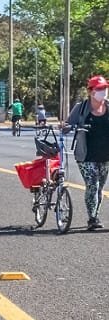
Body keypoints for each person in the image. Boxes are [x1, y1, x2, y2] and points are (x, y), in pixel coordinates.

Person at [64, 75, 109, 230]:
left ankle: (95, 213)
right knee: (92, 185)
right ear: (90, 91)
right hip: (86, 155)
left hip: (105, 155)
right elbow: (69, 124)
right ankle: (92, 218)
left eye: (104, 88)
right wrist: (65, 127)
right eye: (99, 89)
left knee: (100, 187)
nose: (103, 92)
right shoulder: (82, 107)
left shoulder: (108, 107)